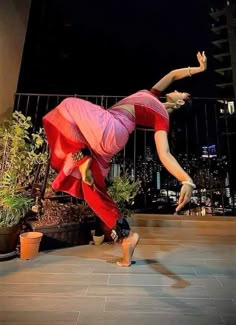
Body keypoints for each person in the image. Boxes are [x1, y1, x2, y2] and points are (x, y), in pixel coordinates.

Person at [43, 51, 207, 267]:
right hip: (106, 138)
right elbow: (173, 75)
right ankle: (125, 237)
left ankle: (84, 159)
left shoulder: (162, 116)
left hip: (109, 127)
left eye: (182, 95)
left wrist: (186, 180)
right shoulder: (153, 95)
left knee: (68, 106)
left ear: (180, 105)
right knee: (92, 192)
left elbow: (164, 153)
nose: (177, 90)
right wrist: (199, 69)